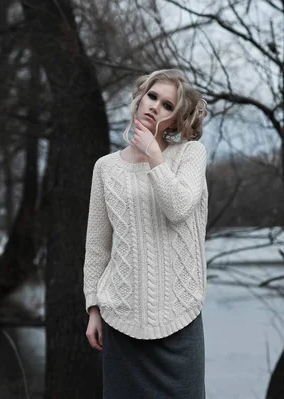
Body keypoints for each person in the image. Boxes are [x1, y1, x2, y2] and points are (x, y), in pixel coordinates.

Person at [83, 69, 209, 398]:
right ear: (140, 97)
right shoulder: (105, 167)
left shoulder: (190, 155)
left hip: (180, 318)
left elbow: (179, 207)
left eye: (167, 105)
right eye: (152, 96)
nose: (155, 107)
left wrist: (154, 154)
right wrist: (93, 309)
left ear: (175, 118)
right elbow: (98, 248)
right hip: (121, 321)